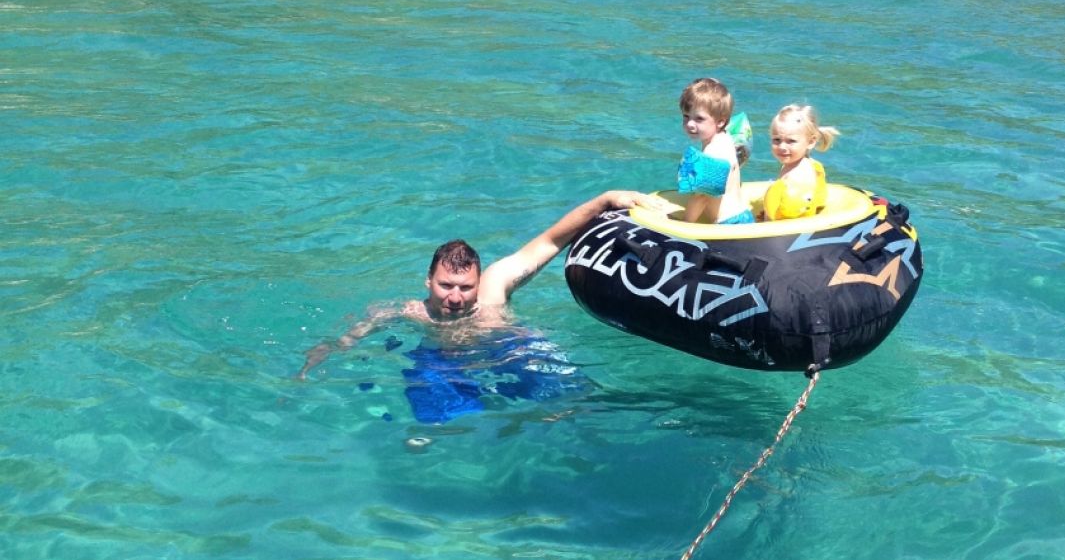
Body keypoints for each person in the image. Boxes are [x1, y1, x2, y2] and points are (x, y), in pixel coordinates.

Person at [297, 189, 658, 379]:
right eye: (445, 286)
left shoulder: (495, 287)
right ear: (428, 281)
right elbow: (350, 335)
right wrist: (320, 356)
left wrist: (606, 200)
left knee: (569, 396)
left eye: (465, 287)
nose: (455, 297)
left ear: (478, 281)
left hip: (513, 353)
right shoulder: (407, 312)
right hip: (444, 363)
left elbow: (551, 241)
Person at [675, 77, 754, 224]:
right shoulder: (725, 138)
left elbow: (702, 197)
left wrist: (684, 224)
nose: (690, 124)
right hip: (741, 216)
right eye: (686, 116)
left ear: (721, 121)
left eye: (699, 119)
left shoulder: (714, 151)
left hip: (729, 224)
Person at [760, 104, 840, 221]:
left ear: (811, 142)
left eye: (791, 141)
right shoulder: (810, 165)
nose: (782, 146)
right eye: (776, 140)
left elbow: (781, 216)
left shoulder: (794, 176)